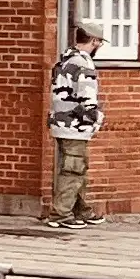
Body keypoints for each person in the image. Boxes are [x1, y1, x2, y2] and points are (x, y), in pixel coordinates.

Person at [42, 24, 103, 228]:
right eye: (99, 41)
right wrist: (95, 118)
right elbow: (87, 97)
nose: (100, 45)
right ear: (93, 41)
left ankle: (81, 210)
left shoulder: (65, 59)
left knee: (74, 167)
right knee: (73, 170)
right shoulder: (83, 63)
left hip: (60, 121)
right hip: (75, 124)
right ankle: (61, 214)